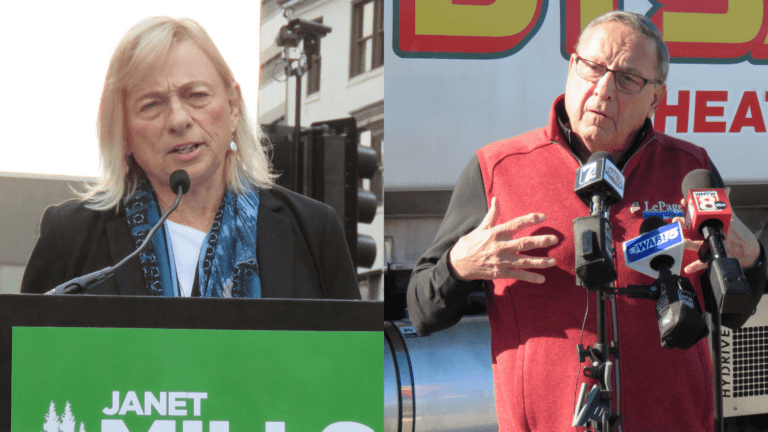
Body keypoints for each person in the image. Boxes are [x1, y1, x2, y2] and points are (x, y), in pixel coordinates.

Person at [407, 11, 765, 432]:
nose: (603, 90)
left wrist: (753, 260)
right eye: (592, 67)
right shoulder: (497, 170)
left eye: (628, 78)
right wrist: (457, 265)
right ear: (571, 68)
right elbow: (421, 309)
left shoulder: (690, 168)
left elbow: (733, 311)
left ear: (656, 98)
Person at [21, 17, 360, 300]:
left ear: (232, 106)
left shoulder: (315, 231)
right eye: (151, 105)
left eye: (196, 95)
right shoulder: (71, 236)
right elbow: (26, 368)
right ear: (123, 131)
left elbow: (350, 372)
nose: (179, 119)